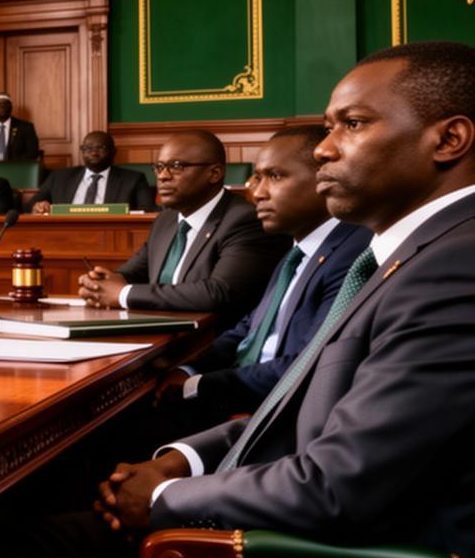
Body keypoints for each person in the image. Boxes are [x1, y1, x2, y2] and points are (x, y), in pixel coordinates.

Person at [0, 42, 475, 558]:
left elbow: (338, 486)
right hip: (281, 532)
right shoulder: (410, 253)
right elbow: (296, 403)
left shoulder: (453, 268)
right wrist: (180, 464)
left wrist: (163, 503)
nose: (324, 150)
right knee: (8, 547)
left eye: (352, 125)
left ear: (450, 138)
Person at [155, 125, 370, 433]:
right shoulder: (296, 248)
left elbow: (308, 364)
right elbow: (252, 327)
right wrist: (189, 367)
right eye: (257, 177)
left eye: (276, 176)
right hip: (239, 391)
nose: (257, 193)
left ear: (324, 178)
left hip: (276, 414)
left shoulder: (353, 253)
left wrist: (198, 384)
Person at [77, 129, 284, 327]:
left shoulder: (244, 220)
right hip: (157, 335)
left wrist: (122, 294)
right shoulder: (166, 220)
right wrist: (99, 284)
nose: (163, 176)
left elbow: (219, 293)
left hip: (210, 345)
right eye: (159, 167)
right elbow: (133, 272)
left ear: (214, 173)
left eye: (176, 166)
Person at [32, 132, 155, 212]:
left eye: (101, 148)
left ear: (113, 152)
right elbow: (29, 206)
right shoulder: (59, 177)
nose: (94, 153)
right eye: (88, 148)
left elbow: (146, 211)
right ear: (82, 151)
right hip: (65, 234)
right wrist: (38, 207)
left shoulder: (133, 179)